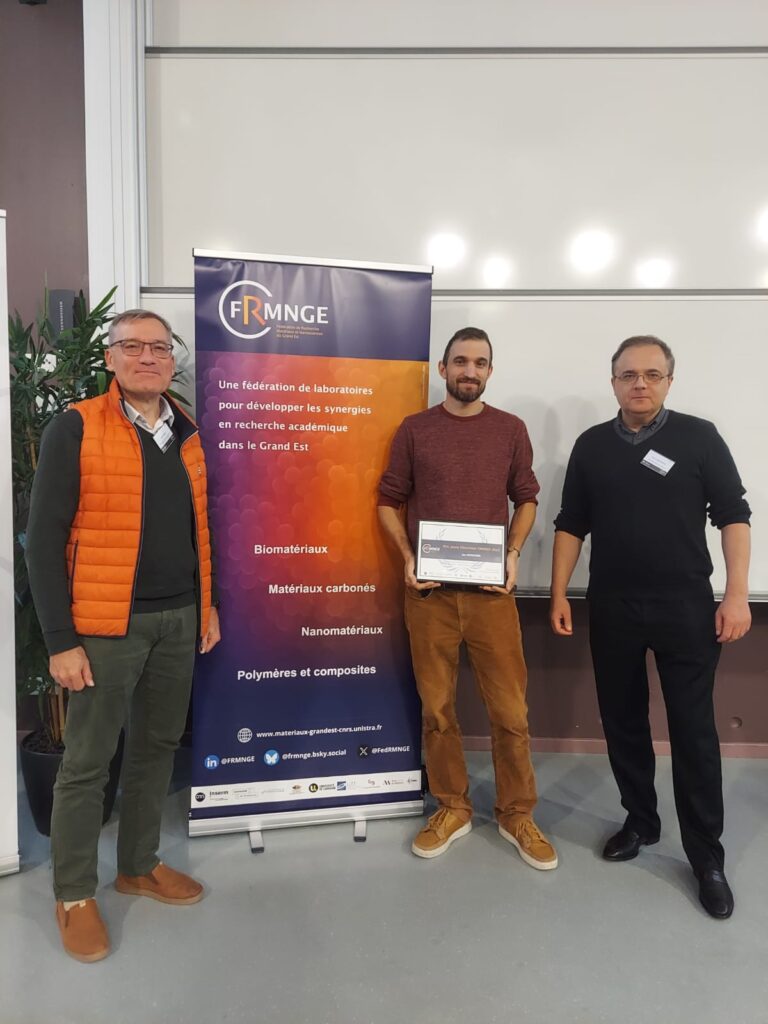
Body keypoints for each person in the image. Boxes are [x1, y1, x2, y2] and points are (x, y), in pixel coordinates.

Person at [26, 309, 221, 962]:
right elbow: (43, 541)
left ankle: (138, 866)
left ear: (171, 360)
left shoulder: (185, 430)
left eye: (159, 348)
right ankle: (74, 893)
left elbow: (199, 529)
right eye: (132, 347)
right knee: (87, 762)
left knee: (157, 747)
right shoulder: (76, 426)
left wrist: (207, 606)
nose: (148, 358)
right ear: (109, 358)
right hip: (105, 627)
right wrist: (61, 639)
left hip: (179, 618)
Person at [550, 335, 750, 919]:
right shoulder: (591, 445)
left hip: (685, 607)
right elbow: (571, 523)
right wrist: (558, 592)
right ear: (613, 381)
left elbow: (734, 516)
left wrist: (737, 595)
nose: (640, 383)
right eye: (628, 374)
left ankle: (706, 857)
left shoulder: (699, 437)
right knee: (623, 720)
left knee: (693, 731)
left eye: (652, 374)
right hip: (612, 606)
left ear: (669, 381)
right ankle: (641, 821)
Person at [377, 327, 557, 869]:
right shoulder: (415, 430)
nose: (469, 371)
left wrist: (513, 552)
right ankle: (452, 807)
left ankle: (516, 813)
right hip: (429, 597)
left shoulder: (510, 429)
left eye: (480, 363)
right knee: (437, 711)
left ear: (490, 371)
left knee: (511, 712)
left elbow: (526, 499)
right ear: (443, 369)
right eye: (460, 361)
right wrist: (408, 557)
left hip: (491, 597)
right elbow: (388, 500)